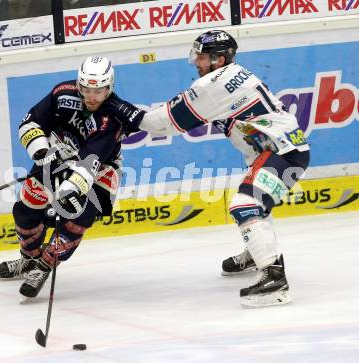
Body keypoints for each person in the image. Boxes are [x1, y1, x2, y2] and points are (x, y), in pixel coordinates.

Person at [106, 30, 310, 307]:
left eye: (201, 57)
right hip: (281, 149)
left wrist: (111, 101)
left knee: (245, 205)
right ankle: (257, 251)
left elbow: (158, 124)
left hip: (281, 152)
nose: (195, 63)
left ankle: (274, 278)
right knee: (254, 203)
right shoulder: (230, 76)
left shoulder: (214, 85)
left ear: (219, 59)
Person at [0, 56, 127, 300]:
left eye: (98, 90)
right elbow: (30, 122)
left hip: (99, 171)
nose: (91, 96)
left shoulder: (113, 116)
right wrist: (43, 152)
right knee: (26, 209)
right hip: (58, 157)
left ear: (109, 87)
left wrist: (67, 194)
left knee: (78, 216)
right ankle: (29, 259)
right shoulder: (61, 94)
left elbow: (91, 161)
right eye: (86, 88)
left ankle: (44, 266)